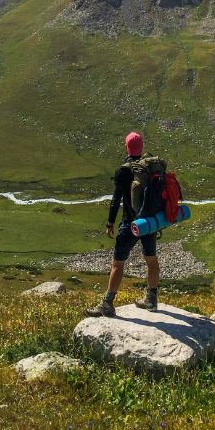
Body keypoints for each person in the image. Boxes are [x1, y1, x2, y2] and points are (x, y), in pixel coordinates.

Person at [85, 131, 160, 317]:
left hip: (130, 223)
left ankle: (108, 304)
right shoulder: (150, 167)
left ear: (127, 147)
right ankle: (151, 298)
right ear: (141, 147)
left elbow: (116, 199)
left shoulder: (123, 171)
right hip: (149, 221)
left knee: (118, 263)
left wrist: (110, 222)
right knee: (151, 259)